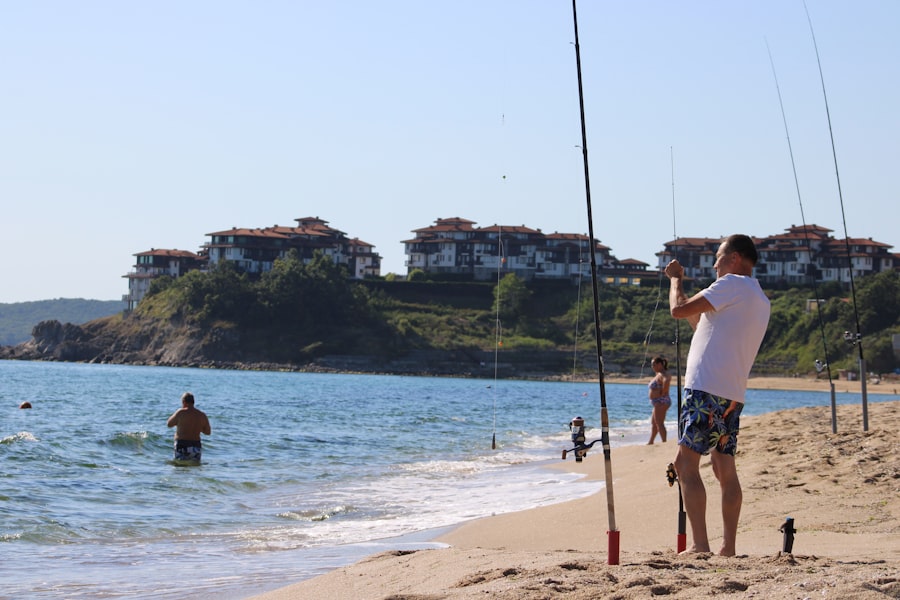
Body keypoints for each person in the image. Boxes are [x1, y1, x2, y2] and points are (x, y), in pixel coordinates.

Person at [664, 234, 770, 556]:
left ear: (736, 257)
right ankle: (729, 548)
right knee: (724, 469)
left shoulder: (731, 284)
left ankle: (700, 545)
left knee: (686, 464)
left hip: (704, 388)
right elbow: (705, 327)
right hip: (732, 394)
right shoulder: (759, 298)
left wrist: (675, 281)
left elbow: (679, 310)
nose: (714, 264)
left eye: (719, 257)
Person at [166, 392, 211, 463]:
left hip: (182, 445)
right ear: (193, 402)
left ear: (184, 402)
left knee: (180, 469)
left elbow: (169, 424)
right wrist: (198, 427)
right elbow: (208, 432)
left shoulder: (181, 412)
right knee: (194, 469)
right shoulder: (202, 415)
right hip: (196, 446)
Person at [647, 356, 672, 444]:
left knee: (659, 423)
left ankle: (664, 442)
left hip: (661, 402)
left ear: (660, 364)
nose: (652, 366)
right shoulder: (658, 374)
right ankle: (651, 441)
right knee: (654, 423)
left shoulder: (663, 374)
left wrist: (663, 392)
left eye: (654, 364)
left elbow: (667, 380)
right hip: (658, 402)